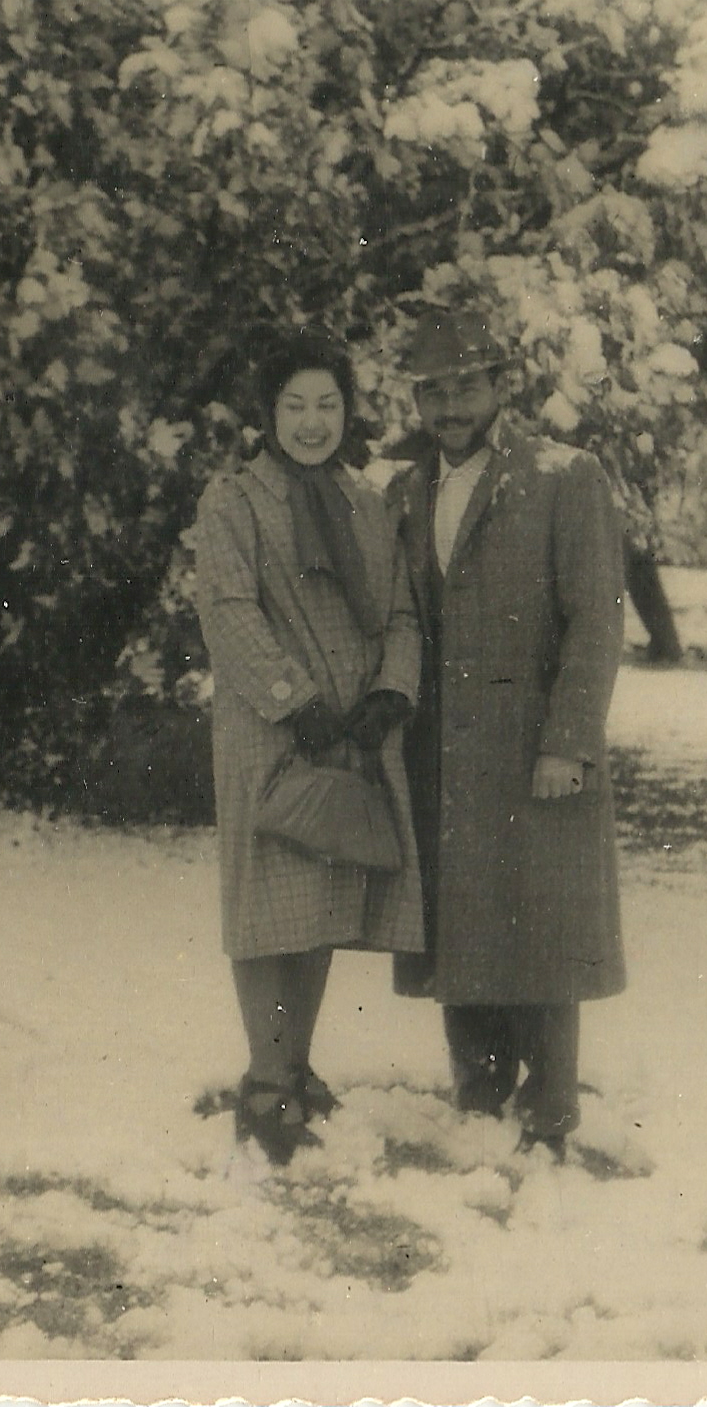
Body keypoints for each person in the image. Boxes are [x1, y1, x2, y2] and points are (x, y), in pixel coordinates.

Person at [386, 311, 628, 1161]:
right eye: (432, 391)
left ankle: (550, 1115)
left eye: (466, 386)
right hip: (442, 756)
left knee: (543, 928)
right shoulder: (405, 490)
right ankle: (480, 1100)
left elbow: (596, 620)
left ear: (501, 385)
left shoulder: (564, 476)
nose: (450, 407)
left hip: (533, 748)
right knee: (460, 924)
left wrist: (569, 740)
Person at [188, 328, 423, 1167]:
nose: (313, 423)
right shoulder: (234, 502)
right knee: (268, 904)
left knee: (322, 897)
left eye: (328, 405)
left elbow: (400, 612)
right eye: (295, 406)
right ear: (269, 412)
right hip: (271, 731)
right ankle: (265, 1080)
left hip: (353, 732)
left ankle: (296, 1065)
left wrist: (389, 693)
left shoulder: (367, 503)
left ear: (347, 411)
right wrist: (298, 703)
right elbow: (228, 614)